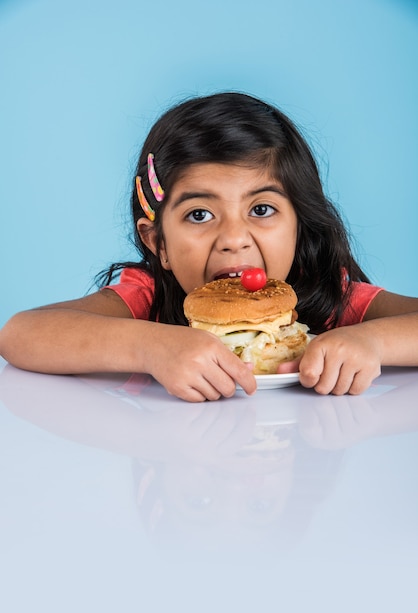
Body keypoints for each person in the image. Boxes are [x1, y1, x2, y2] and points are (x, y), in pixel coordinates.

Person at [1, 92, 417, 402]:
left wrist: (373, 342)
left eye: (262, 208)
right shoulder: (149, 297)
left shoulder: (328, 297)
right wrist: (151, 347)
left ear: (299, 227)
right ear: (158, 243)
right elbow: (18, 334)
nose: (234, 239)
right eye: (199, 214)